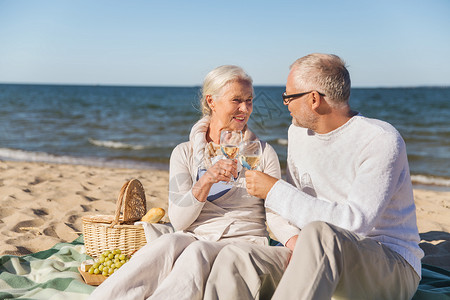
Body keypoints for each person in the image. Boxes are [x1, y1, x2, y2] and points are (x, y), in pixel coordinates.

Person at [88, 65, 297, 300]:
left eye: (249, 100)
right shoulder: (184, 153)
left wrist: (292, 240)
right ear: (211, 101)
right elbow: (179, 221)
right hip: (196, 235)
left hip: (244, 240)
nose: (245, 109)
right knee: (165, 245)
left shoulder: (261, 153)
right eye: (236, 100)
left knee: (196, 252)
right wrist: (206, 180)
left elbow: (275, 213)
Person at [241, 53, 424, 299]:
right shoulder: (298, 134)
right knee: (236, 259)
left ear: (314, 99)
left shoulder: (380, 139)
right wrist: (293, 240)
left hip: (391, 264)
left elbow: (354, 224)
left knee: (319, 234)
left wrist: (274, 190)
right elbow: (291, 210)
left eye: (288, 97)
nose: (286, 104)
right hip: (316, 251)